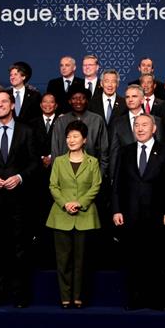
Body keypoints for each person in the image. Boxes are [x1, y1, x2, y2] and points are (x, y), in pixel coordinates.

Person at [0, 89, 39, 308]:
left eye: (5, 101)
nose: (0, 105)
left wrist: (20, 177)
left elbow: (35, 162)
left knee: (19, 250)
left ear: (12, 105)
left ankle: (20, 295)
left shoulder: (27, 131)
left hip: (19, 201)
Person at [112, 114, 165, 311]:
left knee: (156, 259)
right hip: (130, 214)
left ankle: (157, 301)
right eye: (137, 125)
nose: (140, 129)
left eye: (144, 125)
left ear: (154, 129)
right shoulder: (125, 151)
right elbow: (117, 183)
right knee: (133, 259)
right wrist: (116, 210)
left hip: (157, 214)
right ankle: (135, 300)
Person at [46, 120, 102, 309]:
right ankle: (65, 296)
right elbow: (53, 185)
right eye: (68, 136)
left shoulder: (92, 162)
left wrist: (80, 203)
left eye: (75, 136)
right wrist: (65, 203)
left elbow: (96, 186)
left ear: (84, 139)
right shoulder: (59, 161)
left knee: (81, 261)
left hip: (85, 216)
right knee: (63, 260)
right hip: (61, 215)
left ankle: (78, 296)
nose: (71, 140)